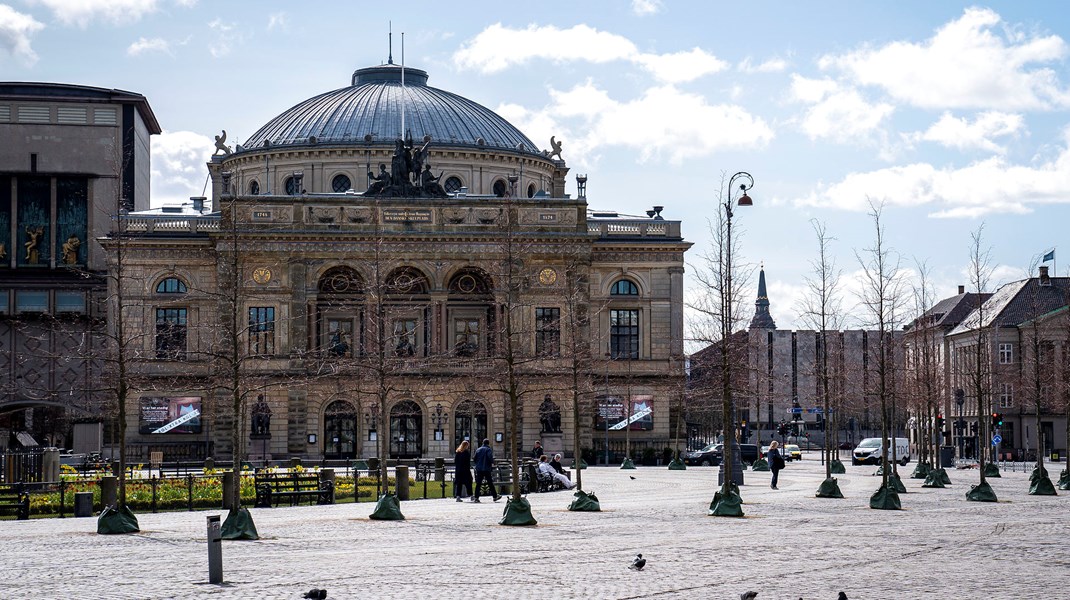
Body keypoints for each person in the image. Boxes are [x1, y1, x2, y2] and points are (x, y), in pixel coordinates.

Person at [472, 438, 500, 502]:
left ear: (483, 443)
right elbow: (490, 457)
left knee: (478, 483)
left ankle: (476, 497)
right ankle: (495, 496)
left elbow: (474, 458)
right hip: (486, 468)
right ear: (488, 443)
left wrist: (478, 464)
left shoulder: (478, 449)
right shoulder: (488, 449)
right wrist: (493, 462)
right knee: (490, 483)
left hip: (479, 469)